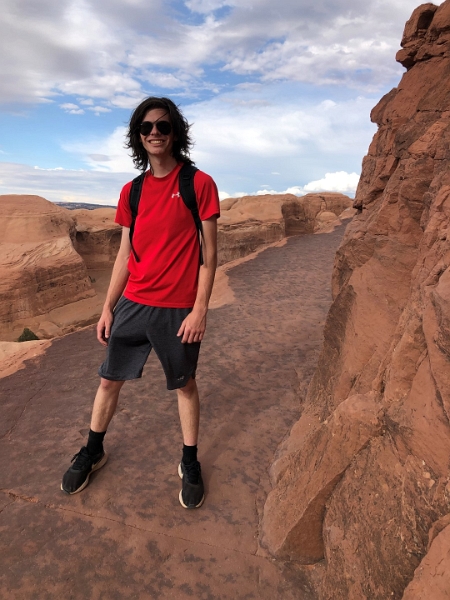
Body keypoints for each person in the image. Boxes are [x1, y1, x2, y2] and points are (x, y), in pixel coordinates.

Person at [61, 97, 220, 509]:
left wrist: (200, 309)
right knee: (108, 380)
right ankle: (93, 450)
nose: (154, 133)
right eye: (146, 127)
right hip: (134, 302)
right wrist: (107, 307)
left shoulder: (198, 184)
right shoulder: (131, 191)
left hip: (178, 309)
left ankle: (190, 461)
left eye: (163, 126)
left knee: (184, 385)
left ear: (175, 133)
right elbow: (124, 256)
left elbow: (209, 256)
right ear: (138, 135)